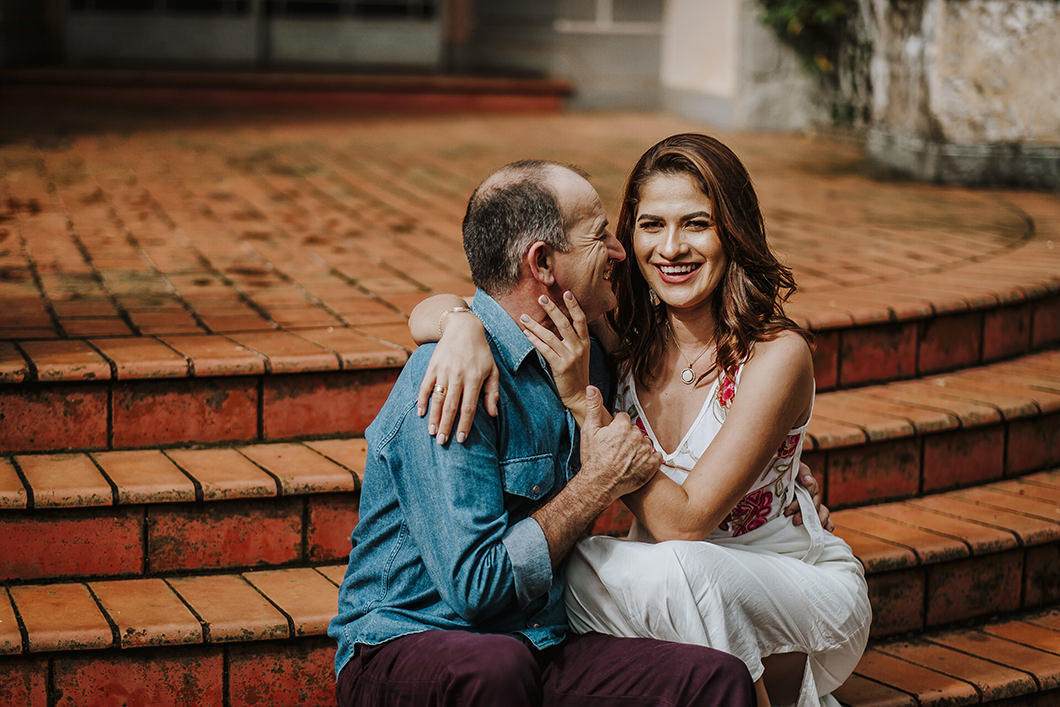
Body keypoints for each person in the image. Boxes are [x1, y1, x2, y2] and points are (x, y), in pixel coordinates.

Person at [412, 135, 871, 706]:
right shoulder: (624, 341)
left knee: (685, 566)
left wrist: (584, 405)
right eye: (651, 225)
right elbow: (444, 306)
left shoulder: (775, 355)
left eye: (696, 224)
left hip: (783, 577)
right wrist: (460, 326)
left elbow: (685, 524)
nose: (671, 248)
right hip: (670, 581)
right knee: (569, 572)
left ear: (733, 231)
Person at [328, 159, 757, 706]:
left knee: (714, 680)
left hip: (538, 640)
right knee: (496, 667)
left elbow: (698, 408)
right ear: (544, 263)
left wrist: (782, 478)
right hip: (405, 639)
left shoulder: (588, 355)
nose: (620, 250)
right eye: (600, 236)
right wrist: (595, 482)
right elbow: (476, 590)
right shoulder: (452, 376)